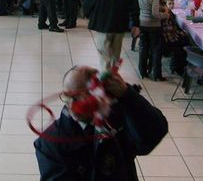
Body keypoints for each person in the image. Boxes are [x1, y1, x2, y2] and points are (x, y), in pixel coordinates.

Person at [34, 66, 168, 181]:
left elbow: (151, 138)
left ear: (100, 95)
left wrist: (128, 95)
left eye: (81, 96)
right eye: (67, 97)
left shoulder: (119, 119)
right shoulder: (51, 142)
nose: (71, 105)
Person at [82, 0, 139, 70]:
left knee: (103, 52)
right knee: (116, 53)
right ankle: (113, 74)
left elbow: (88, 1)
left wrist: (88, 14)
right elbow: (134, 7)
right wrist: (135, 24)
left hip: (103, 24)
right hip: (120, 24)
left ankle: (105, 75)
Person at [137, 0, 169, 81]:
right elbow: (155, 14)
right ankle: (157, 74)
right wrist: (165, 15)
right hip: (153, 25)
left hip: (142, 22)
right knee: (156, 50)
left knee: (143, 48)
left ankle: (142, 71)